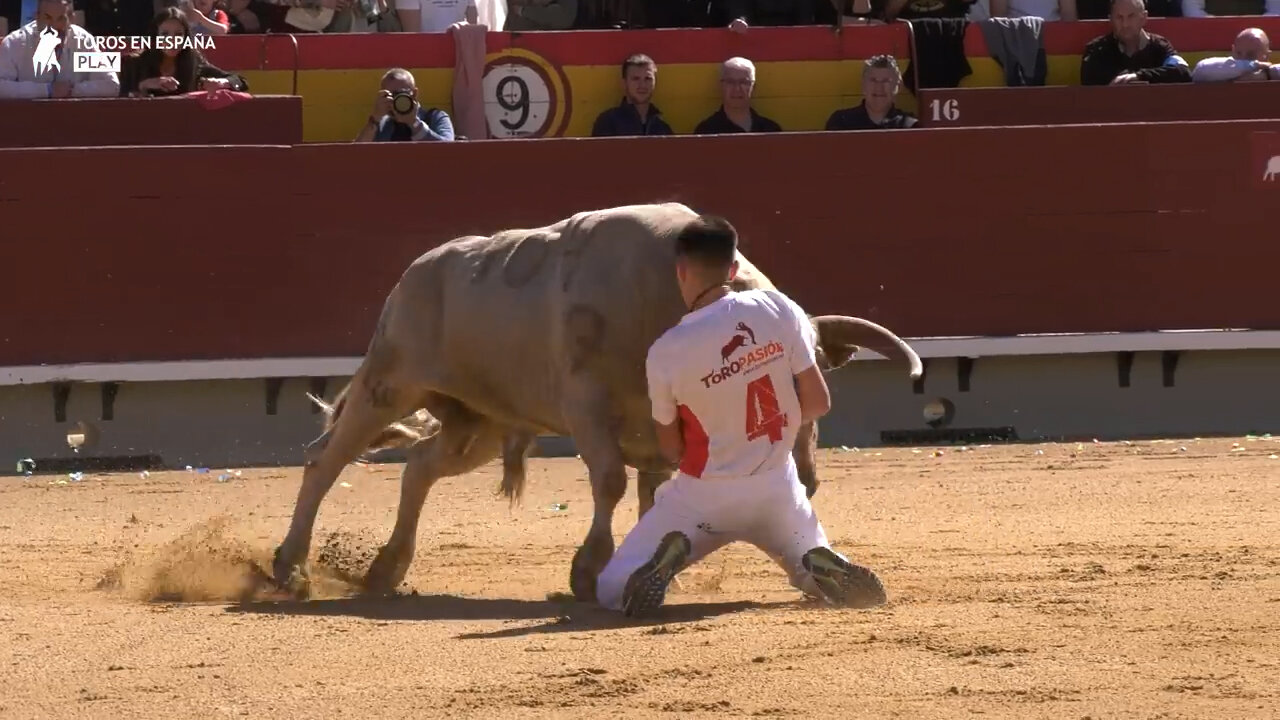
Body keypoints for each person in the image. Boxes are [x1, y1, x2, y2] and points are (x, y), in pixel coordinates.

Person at [594, 215, 887, 618]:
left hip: (703, 496)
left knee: (610, 587)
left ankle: (670, 557)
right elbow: (818, 404)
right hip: (777, 490)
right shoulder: (779, 307)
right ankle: (814, 563)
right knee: (802, 563)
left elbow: (671, 449)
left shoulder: (666, 351)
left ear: (681, 273)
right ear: (733, 270)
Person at [118, 7, 247, 97]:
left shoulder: (193, 60)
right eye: (165, 34)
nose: (172, 40)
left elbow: (240, 81)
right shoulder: (134, 63)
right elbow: (119, 98)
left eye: (179, 34)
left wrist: (221, 83)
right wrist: (144, 85)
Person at [354, 67, 455, 142]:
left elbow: (447, 150)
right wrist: (375, 119)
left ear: (414, 93)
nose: (397, 99)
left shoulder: (435, 117)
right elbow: (357, 154)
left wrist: (414, 123)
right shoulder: (382, 124)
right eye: (392, 95)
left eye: (402, 93)